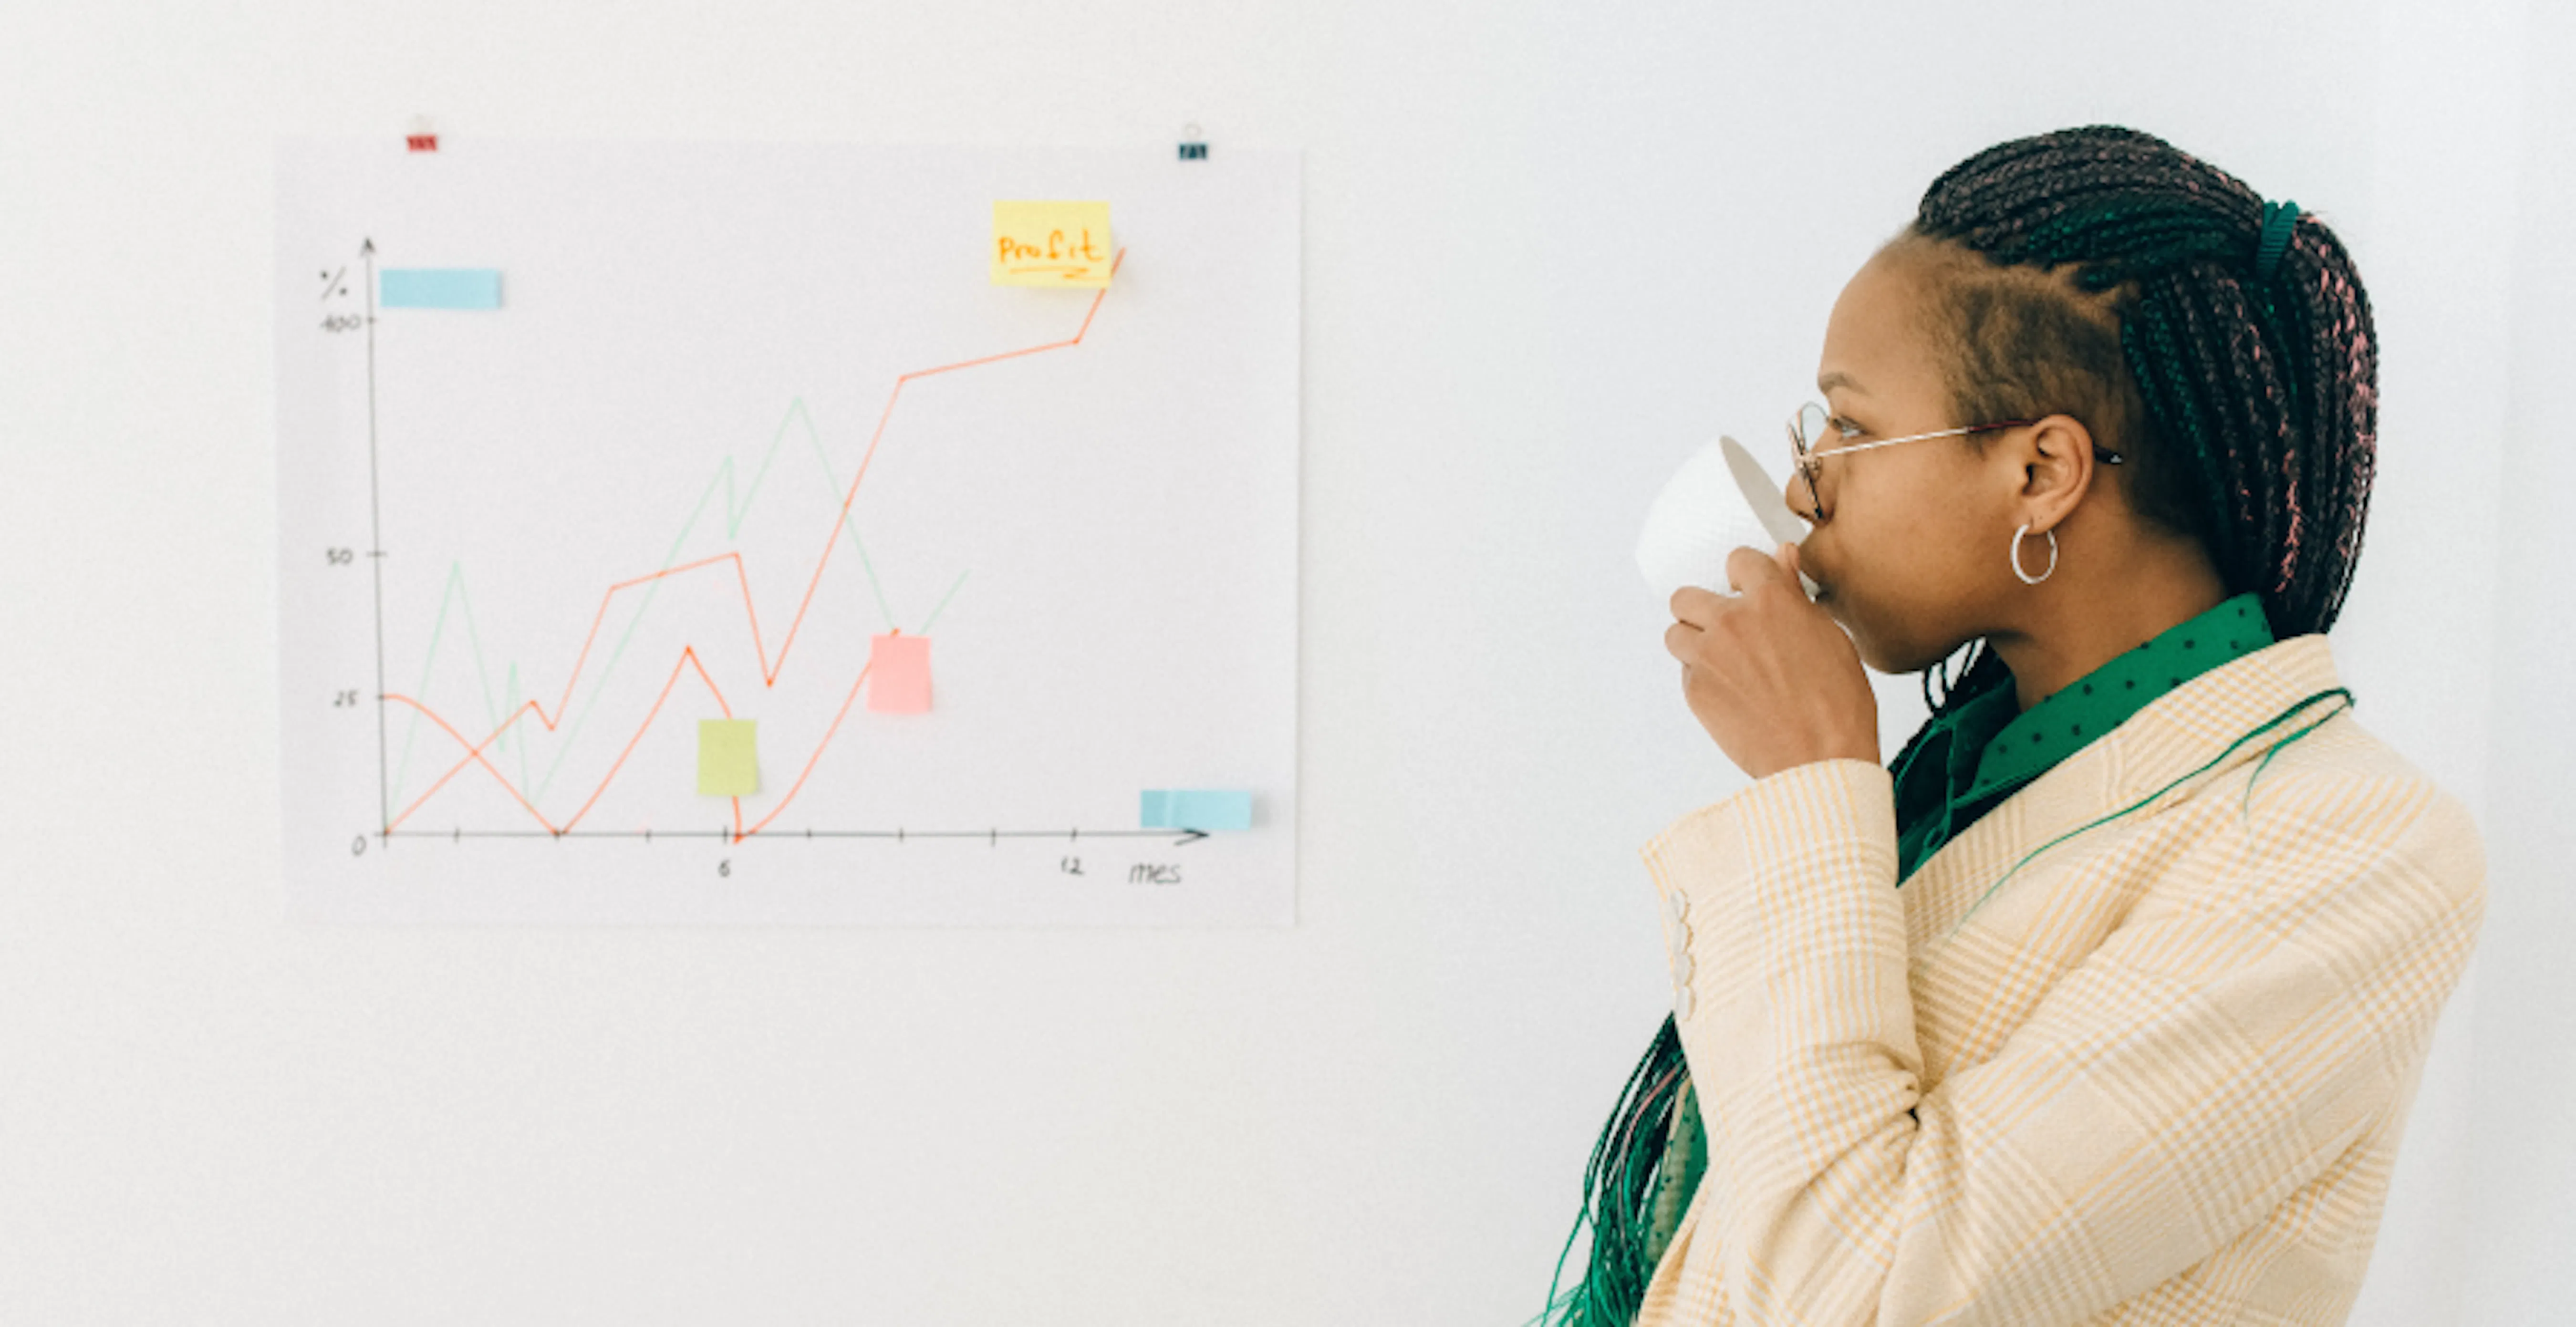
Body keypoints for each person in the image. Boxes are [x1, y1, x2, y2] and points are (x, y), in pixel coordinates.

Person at [1536, 125, 2487, 1325]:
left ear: (2042, 473)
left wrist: (1808, 781)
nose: (1803, 487)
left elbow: (1858, 1294)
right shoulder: (1970, 774)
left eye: (1850, 429)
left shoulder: (2347, 844)